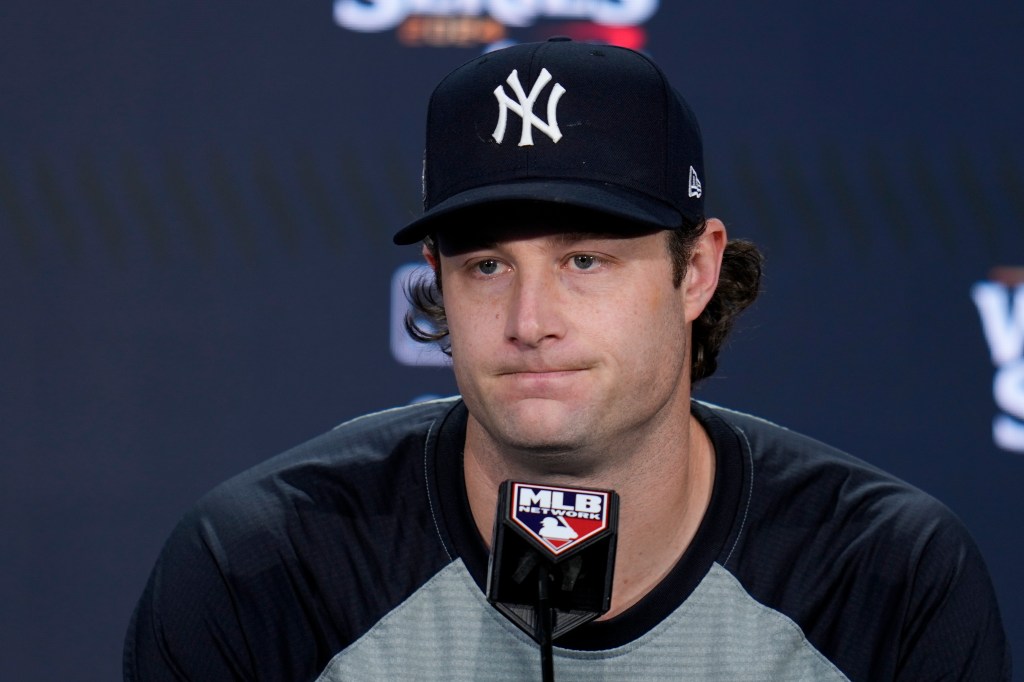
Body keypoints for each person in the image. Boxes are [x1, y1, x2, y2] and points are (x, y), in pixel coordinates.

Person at [125, 38, 1010, 681]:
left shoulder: (886, 574)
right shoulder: (259, 567)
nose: (529, 319)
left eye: (585, 259)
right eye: (486, 266)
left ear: (695, 269)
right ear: (436, 280)